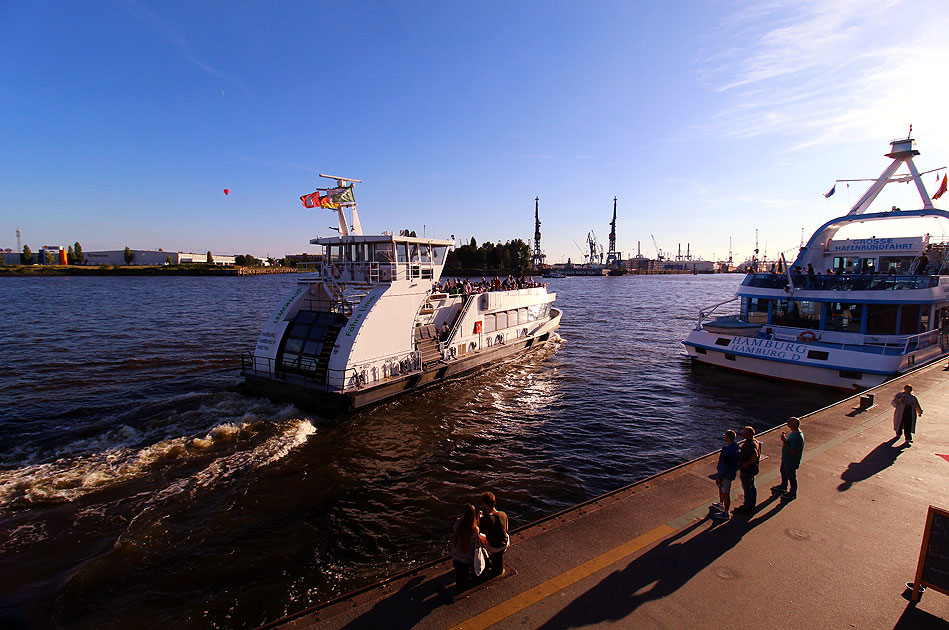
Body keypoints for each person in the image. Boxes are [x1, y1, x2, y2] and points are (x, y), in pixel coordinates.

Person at [451, 504, 488, 591]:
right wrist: (479, 519)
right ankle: (473, 572)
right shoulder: (474, 530)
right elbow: (478, 542)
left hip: (455, 556)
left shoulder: (457, 524)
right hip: (467, 560)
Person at [478, 491, 509, 577]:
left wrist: (479, 518)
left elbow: (480, 530)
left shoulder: (485, 519)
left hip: (495, 547)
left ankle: (486, 559)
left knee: (477, 538)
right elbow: (506, 529)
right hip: (505, 543)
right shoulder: (503, 514)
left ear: (485, 504)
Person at [771, 417, 804, 499]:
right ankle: (783, 486)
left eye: (789, 421)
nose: (787, 422)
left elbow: (793, 451)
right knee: (783, 471)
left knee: (791, 476)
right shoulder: (794, 433)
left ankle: (792, 493)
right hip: (786, 458)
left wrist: (784, 441)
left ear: (793, 424)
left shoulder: (797, 437)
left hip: (791, 461)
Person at [711, 430, 740, 520]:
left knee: (726, 493)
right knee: (722, 488)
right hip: (729, 473)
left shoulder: (728, 451)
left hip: (725, 475)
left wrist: (720, 476)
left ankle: (725, 512)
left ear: (727, 437)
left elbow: (726, 466)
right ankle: (721, 504)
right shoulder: (736, 448)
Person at [734, 426, 761, 514]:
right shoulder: (755, 441)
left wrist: (747, 464)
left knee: (747, 488)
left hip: (748, 470)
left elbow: (755, 456)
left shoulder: (750, 445)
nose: (743, 434)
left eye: (745, 433)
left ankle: (747, 507)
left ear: (749, 434)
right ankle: (751, 505)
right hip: (753, 469)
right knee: (752, 487)